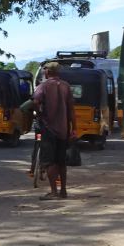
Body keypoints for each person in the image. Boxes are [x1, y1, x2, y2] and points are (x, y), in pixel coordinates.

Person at [32, 62, 76, 200]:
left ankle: (53, 192)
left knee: (50, 162)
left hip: (49, 128)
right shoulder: (65, 86)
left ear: (47, 72)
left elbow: (35, 102)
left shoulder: (43, 86)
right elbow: (71, 109)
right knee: (61, 162)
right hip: (64, 129)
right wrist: (74, 128)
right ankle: (63, 191)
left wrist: (38, 114)